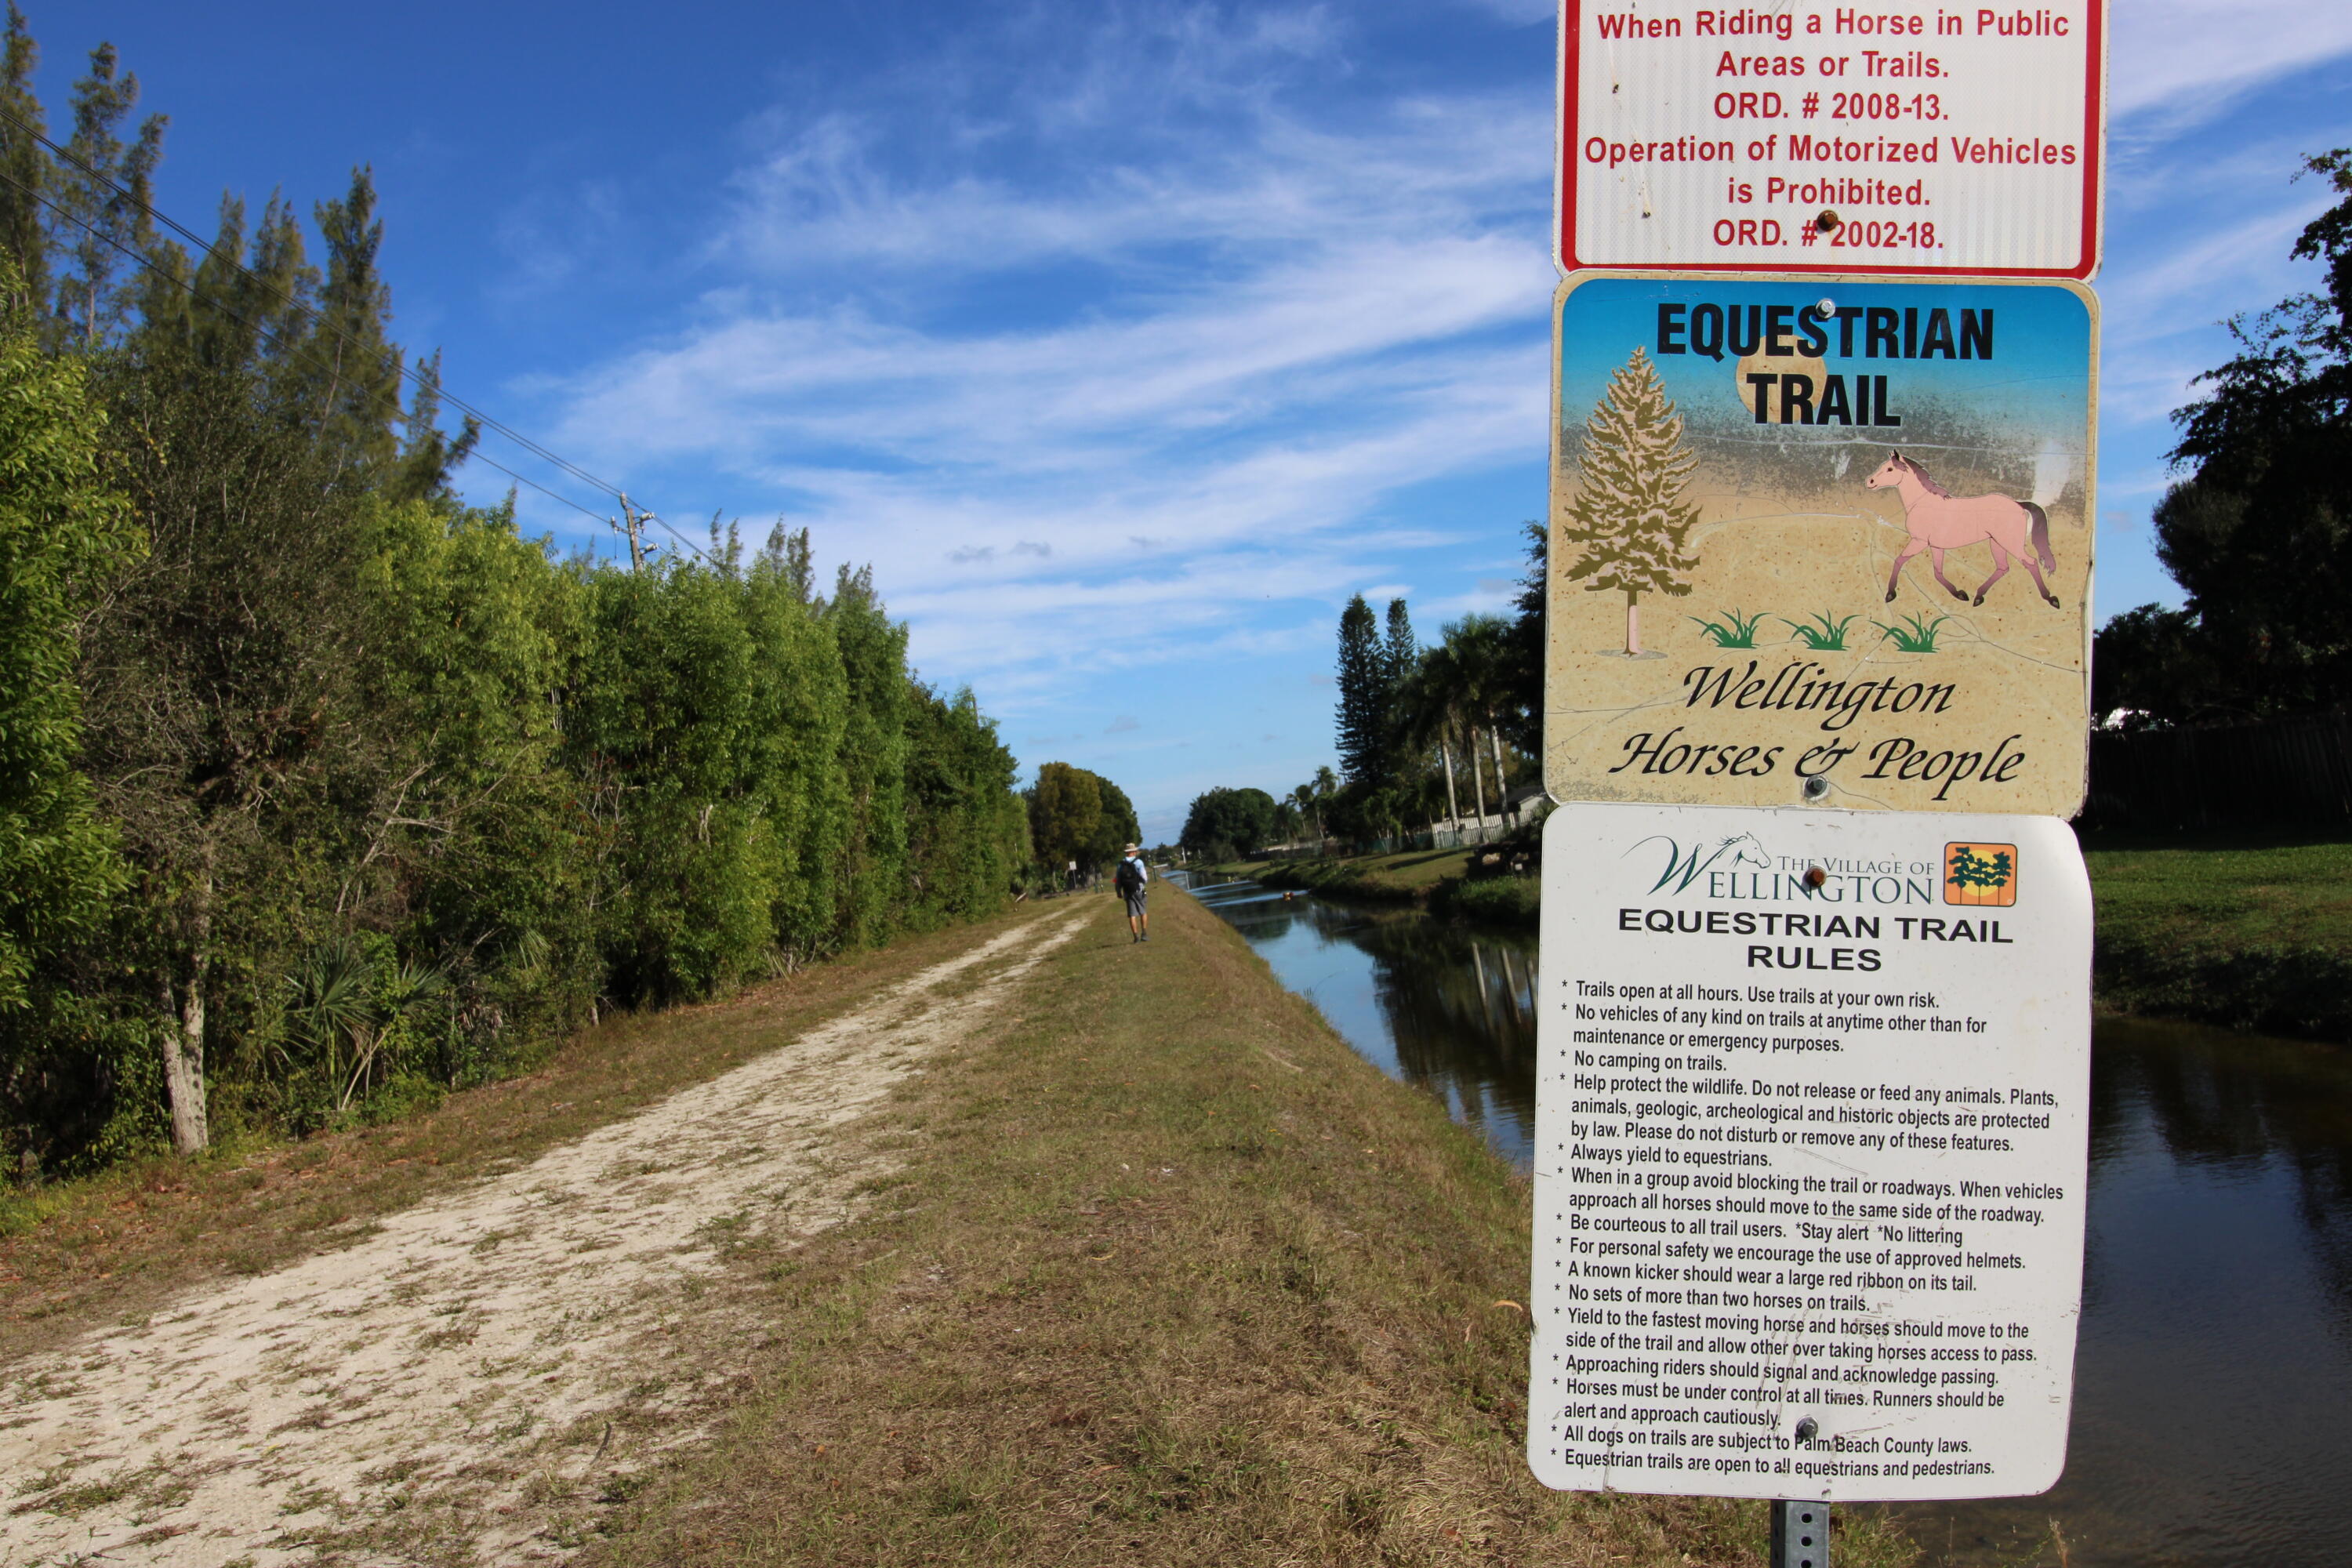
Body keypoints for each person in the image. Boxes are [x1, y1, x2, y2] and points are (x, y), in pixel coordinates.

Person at [1114, 843, 1150, 942]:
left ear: (1126, 852)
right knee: (1143, 911)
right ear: (1134, 852)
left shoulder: (1120, 864)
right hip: (1139, 890)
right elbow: (1145, 878)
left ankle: (1136, 937)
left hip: (1127, 892)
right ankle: (1144, 934)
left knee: (1132, 915)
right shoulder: (1139, 862)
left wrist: (1118, 892)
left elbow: (1118, 880)